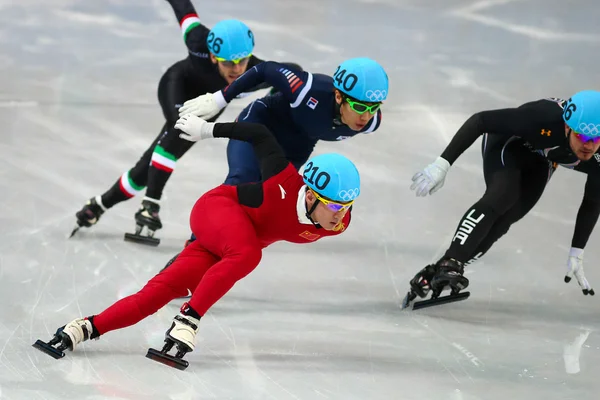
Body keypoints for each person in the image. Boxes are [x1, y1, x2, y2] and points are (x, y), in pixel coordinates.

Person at [34, 114, 361, 370]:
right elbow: (259, 133)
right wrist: (206, 129)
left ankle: (82, 328)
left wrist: (84, 328)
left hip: (226, 244)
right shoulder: (283, 178)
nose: (340, 215)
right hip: (217, 211)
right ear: (311, 194)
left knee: (156, 294)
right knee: (248, 255)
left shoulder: (337, 224)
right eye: (334, 205)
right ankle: (188, 319)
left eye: (346, 207)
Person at [70, 0, 301, 245]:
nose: (236, 69)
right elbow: (183, 7)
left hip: (208, 106)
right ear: (212, 56)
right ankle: (151, 204)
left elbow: (294, 72)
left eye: (242, 61)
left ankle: (99, 204)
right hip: (178, 87)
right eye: (227, 63)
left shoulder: (256, 71)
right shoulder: (198, 40)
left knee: (144, 171)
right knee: (179, 127)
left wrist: (272, 102)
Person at [405, 90, 600, 305]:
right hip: (509, 143)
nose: (588, 145)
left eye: (596, 138)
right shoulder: (541, 117)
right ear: (566, 127)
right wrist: (443, 164)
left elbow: (593, 200)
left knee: (509, 216)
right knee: (503, 195)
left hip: (542, 160)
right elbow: (480, 121)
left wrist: (577, 251)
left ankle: (437, 271)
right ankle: (451, 262)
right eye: (581, 136)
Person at [176, 56, 387, 248]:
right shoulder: (308, 89)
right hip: (260, 125)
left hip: (295, 148)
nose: (366, 116)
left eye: (374, 107)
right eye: (360, 107)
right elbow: (266, 69)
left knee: (267, 201)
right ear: (339, 96)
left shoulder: (371, 123)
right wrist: (220, 98)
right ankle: (194, 247)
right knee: (239, 184)